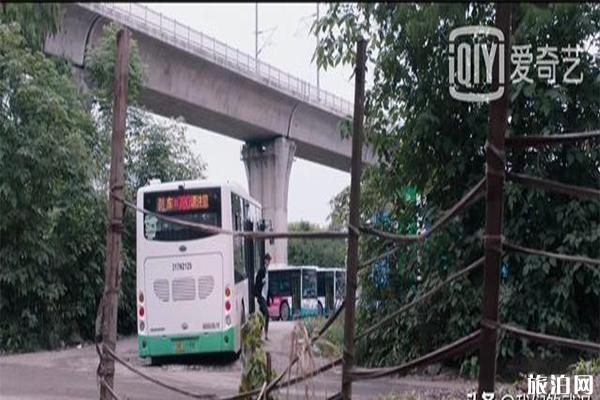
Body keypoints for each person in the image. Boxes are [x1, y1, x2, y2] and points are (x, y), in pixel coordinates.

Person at [254, 253, 271, 340]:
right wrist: (258, 296)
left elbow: (267, 287)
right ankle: (265, 335)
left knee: (262, 316)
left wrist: (269, 299)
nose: (268, 262)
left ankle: (259, 334)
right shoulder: (261, 271)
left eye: (269, 260)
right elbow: (257, 283)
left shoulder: (267, 271)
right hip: (261, 296)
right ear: (265, 260)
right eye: (267, 260)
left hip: (264, 296)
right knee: (267, 314)